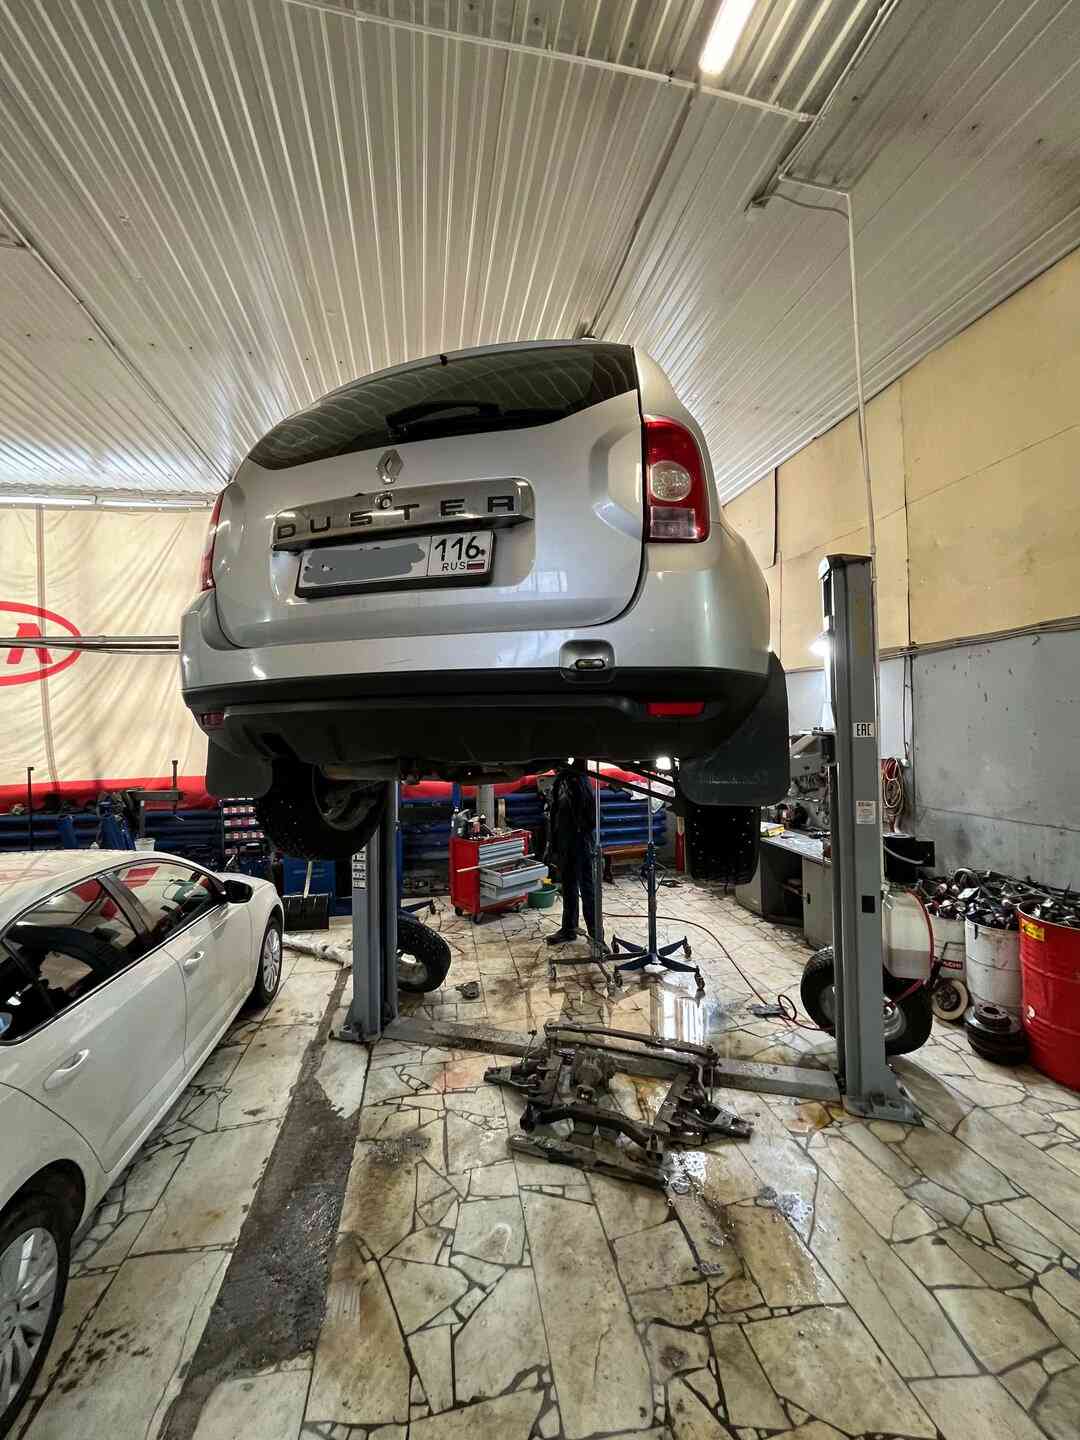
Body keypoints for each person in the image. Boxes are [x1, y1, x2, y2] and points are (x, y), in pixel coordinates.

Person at [544, 758, 605, 947]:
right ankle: (568, 928)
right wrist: (553, 845)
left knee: (588, 889)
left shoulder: (579, 781)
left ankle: (597, 936)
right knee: (568, 887)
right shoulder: (560, 781)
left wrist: (581, 833)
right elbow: (555, 815)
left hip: (581, 842)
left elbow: (593, 816)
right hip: (565, 842)